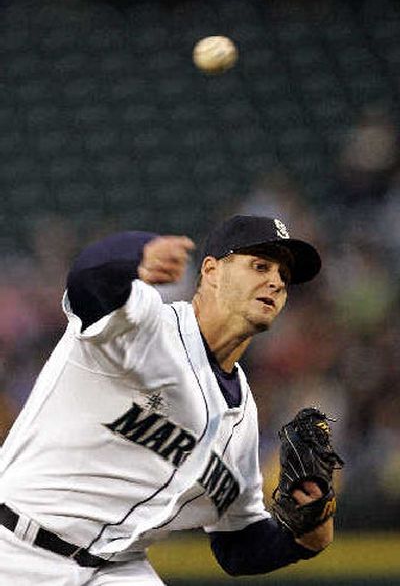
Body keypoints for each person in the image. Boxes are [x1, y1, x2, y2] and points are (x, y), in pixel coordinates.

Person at [0, 214, 331, 586]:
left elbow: (238, 544)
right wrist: (133, 251)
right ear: (211, 271)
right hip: (15, 545)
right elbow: (87, 281)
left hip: (116, 569)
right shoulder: (145, 323)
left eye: (284, 278)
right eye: (260, 266)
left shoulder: (242, 418)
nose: (275, 281)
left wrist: (302, 542)